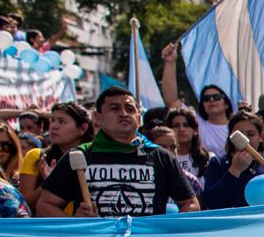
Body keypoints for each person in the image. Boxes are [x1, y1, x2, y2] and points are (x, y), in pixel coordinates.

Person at [38, 86, 197, 217]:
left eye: (130, 108)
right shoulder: (79, 156)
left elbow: (191, 204)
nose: (124, 114)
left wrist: (164, 228)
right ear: (97, 118)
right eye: (115, 108)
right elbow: (45, 206)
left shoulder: (161, 157)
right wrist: (75, 222)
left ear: (139, 118)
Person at [19, 101, 93, 211]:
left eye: (62, 121)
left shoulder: (94, 158)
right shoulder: (36, 156)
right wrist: (49, 182)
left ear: (83, 128)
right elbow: (25, 205)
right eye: (52, 120)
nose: (54, 126)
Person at [159, 42, 231, 155]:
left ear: (226, 104)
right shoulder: (197, 123)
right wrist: (170, 62)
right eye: (206, 99)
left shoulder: (237, 126)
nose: (211, 100)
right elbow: (171, 100)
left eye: (216, 97)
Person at [201, 110, 264, 210]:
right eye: (240, 134)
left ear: (261, 137)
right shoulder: (218, 163)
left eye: (250, 134)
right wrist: (234, 171)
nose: (245, 138)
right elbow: (211, 202)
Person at [165, 107, 211, 195]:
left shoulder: (208, 158)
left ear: (195, 131)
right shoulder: (163, 159)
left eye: (186, 125)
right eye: (176, 125)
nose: (181, 129)